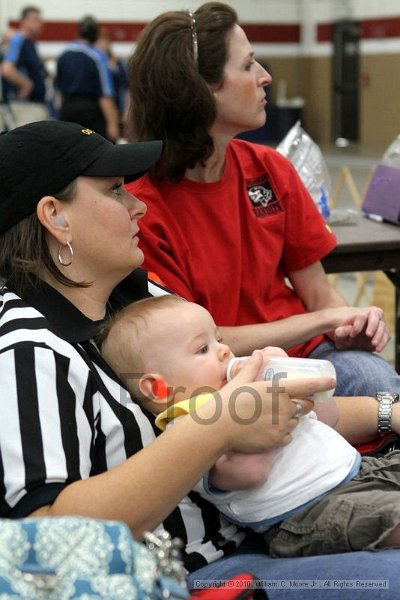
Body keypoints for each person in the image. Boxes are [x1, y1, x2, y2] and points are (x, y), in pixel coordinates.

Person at [0, 121, 399, 600]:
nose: (138, 205)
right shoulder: (26, 349)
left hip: (269, 526)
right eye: (115, 191)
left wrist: (387, 412)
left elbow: (276, 410)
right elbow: (44, 535)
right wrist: (218, 427)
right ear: (55, 216)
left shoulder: (132, 294)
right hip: (191, 572)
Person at [126, 1, 399, 399]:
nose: (265, 77)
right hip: (223, 377)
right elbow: (205, 342)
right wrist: (323, 319)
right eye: (249, 65)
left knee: (377, 382)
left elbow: (319, 293)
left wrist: (349, 324)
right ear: (200, 89)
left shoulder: (269, 169)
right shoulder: (142, 210)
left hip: (308, 356)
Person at [101, 294, 400, 558]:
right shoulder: (189, 426)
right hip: (309, 515)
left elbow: (329, 417)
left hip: (358, 472)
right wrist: (263, 408)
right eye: (203, 349)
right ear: (158, 387)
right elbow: (250, 473)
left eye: (219, 339)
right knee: (391, 518)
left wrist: (295, 380)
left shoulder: (241, 388)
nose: (225, 352)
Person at [56, 16, 119, 141]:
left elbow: (60, 90)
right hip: (90, 112)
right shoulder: (97, 56)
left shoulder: (63, 55)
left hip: (68, 109)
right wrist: (113, 124)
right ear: (96, 35)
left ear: (78, 33)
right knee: (95, 148)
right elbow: (105, 93)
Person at [0, 6, 48, 127]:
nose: (40, 24)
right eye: (35, 20)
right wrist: (26, 84)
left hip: (30, 104)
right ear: (24, 21)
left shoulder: (28, 43)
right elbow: (7, 69)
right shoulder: (18, 40)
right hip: (24, 107)